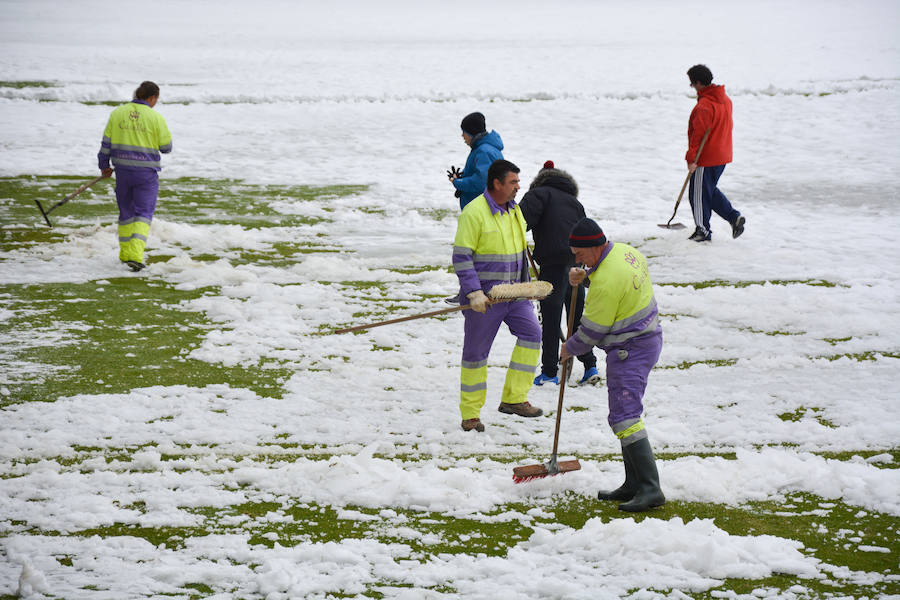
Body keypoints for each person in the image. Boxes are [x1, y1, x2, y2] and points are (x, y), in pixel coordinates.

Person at [560, 218, 665, 512]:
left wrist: (569, 348)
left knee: (626, 416)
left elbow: (592, 331)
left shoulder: (605, 282)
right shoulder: (623, 252)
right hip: (645, 338)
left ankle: (650, 488)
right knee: (622, 415)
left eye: (578, 254)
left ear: (593, 247)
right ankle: (633, 484)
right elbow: (611, 279)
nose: (576, 259)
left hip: (631, 349)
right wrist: (586, 275)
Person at [452, 159, 543, 432]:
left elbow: (520, 254)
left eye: (517, 181)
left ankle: (514, 399)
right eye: (513, 182)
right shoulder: (474, 213)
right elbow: (462, 257)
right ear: (496, 183)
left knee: (532, 335)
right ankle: (470, 414)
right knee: (475, 355)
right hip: (484, 301)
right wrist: (474, 293)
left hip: (515, 296)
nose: (518, 187)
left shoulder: (515, 211)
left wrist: (529, 288)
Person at [518, 161, 599, 386]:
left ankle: (550, 372)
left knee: (551, 317)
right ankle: (590, 365)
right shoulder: (574, 202)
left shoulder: (538, 195)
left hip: (552, 262)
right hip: (576, 263)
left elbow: (519, 223)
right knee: (575, 316)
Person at [97, 80, 172, 271]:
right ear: (152, 97)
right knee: (144, 214)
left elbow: (106, 144)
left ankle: (124, 254)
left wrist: (104, 166)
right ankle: (136, 255)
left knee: (126, 212)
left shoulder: (117, 113)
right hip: (145, 174)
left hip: (122, 172)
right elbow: (166, 148)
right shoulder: (155, 117)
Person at [684, 64, 745, 243]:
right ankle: (734, 218)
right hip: (722, 155)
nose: (692, 88)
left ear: (699, 83)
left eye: (692, 84)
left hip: (707, 157)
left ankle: (702, 231)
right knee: (707, 191)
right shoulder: (725, 100)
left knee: (697, 195)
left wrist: (692, 159)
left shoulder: (704, 106)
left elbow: (698, 135)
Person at [448, 112, 504, 210]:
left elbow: (481, 182)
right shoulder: (483, 149)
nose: (462, 135)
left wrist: (458, 182)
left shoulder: (483, 151)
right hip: (482, 209)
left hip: (481, 210)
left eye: (464, 131)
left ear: (471, 132)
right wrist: (463, 175)